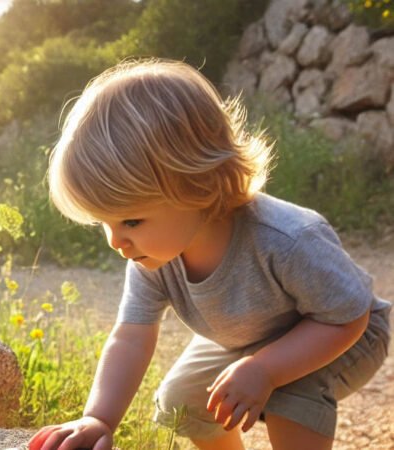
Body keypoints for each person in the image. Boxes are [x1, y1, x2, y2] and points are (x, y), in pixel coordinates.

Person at [28, 59, 391, 450]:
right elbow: (131, 338)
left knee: (290, 389)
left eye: (131, 221)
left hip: (343, 333)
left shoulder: (287, 239)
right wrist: (98, 417)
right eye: (104, 222)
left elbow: (347, 317)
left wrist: (266, 370)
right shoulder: (155, 258)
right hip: (250, 338)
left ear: (198, 185)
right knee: (181, 400)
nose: (116, 241)